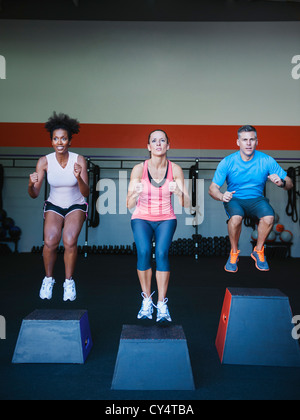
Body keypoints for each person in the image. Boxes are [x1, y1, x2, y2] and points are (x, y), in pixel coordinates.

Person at [208, 125, 293, 272]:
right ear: (238, 142)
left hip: (257, 199)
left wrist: (281, 183)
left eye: (252, 139)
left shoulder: (266, 160)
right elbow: (212, 189)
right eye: (245, 140)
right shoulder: (228, 162)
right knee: (236, 219)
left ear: (256, 141)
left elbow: (290, 183)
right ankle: (234, 252)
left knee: (269, 217)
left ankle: (258, 250)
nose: (248, 143)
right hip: (235, 199)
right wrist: (222, 195)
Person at [127, 129, 190, 323]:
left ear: (168, 146)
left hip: (166, 218)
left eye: (162, 140)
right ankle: (147, 300)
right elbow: (128, 205)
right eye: (154, 141)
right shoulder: (139, 169)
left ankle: (162, 304)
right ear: (148, 147)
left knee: (162, 253)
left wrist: (179, 192)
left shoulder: (175, 169)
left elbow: (187, 204)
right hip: (141, 218)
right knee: (144, 252)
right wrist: (135, 194)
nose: (158, 143)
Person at [28, 112, 89, 301]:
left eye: (64, 138)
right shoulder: (44, 161)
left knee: (70, 240)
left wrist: (78, 177)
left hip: (76, 204)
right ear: (51, 141)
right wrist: (31, 184)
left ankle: (69, 282)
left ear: (70, 141)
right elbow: (34, 194)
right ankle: (48, 279)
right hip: (54, 204)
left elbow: (86, 192)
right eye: (56, 138)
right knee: (50, 241)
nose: (60, 142)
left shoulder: (79, 160)